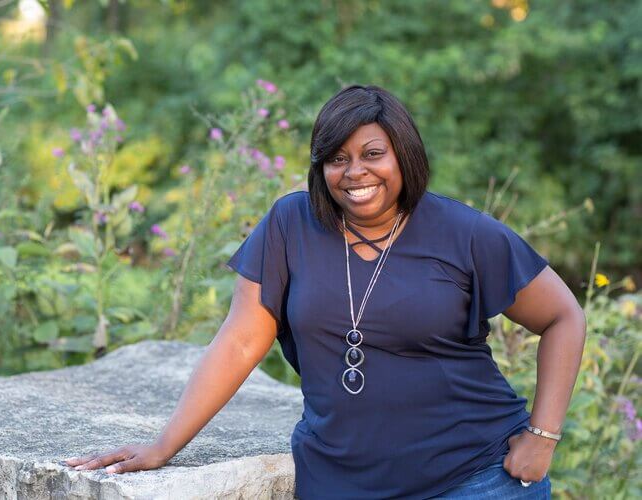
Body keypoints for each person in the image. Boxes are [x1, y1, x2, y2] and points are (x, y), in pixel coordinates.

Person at [60, 85, 587, 499]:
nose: (355, 172)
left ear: (403, 153)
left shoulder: (464, 232)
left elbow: (564, 317)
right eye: (337, 158)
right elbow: (241, 341)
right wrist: (164, 444)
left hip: (474, 478)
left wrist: (542, 438)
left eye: (372, 153)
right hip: (339, 482)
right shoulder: (291, 224)